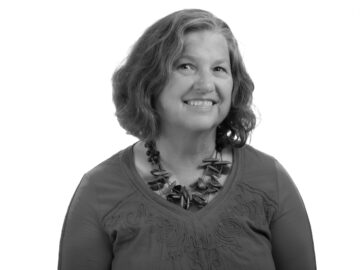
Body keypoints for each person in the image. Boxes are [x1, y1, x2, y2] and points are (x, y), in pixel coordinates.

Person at [58, 9, 316, 270]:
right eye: (186, 66)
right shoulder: (100, 190)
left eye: (218, 69)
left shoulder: (270, 181)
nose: (206, 84)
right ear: (149, 81)